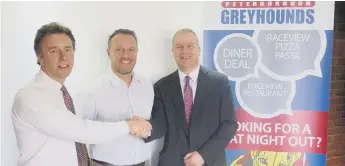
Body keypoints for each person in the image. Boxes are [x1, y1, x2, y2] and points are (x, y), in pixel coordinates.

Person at [11, 22, 151, 166]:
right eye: (54, 51)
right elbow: (82, 130)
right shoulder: (32, 97)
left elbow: (75, 140)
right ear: (39, 57)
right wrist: (129, 126)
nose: (63, 57)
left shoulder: (61, 93)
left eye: (68, 49)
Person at [143, 28, 238, 166]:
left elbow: (229, 124)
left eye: (190, 46)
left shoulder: (219, 82)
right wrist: (143, 128)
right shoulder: (161, 86)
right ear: (173, 52)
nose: (184, 51)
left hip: (209, 161)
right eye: (179, 47)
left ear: (199, 50)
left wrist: (203, 155)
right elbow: (160, 125)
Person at [75, 29, 154, 166]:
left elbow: (149, 126)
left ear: (136, 52)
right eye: (119, 50)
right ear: (108, 53)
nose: (126, 55)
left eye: (131, 49)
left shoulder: (147, 86)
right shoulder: (92, 90)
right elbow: (81, 133)